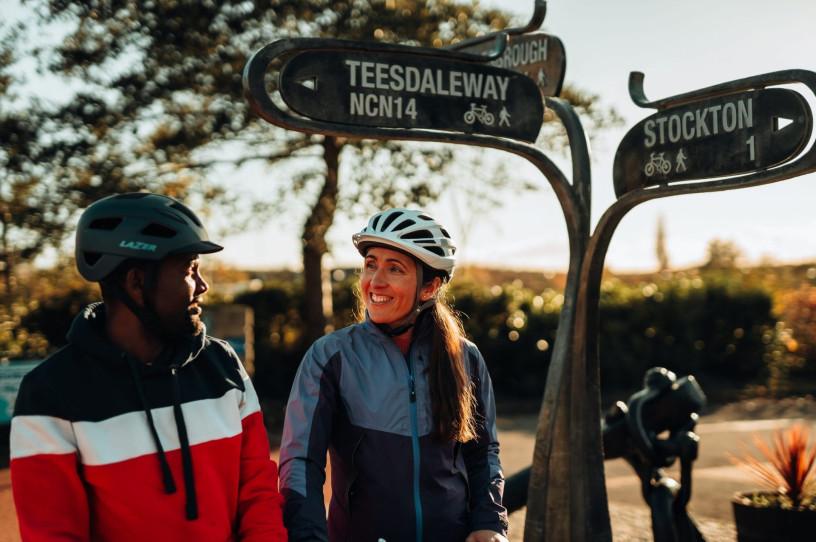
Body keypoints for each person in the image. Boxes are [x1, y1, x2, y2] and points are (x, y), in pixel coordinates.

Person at [9, 192, 287, 542]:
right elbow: (54, 533)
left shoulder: (222, 364)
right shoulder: (50, 392)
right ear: (137, 282)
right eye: (190, 269)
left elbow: (257, 493)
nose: (203, 286)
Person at [279, 208, 509, 542]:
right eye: (371, 264)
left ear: (429, 287)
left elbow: (483, 452)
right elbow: (300, 462)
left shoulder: (465, 357)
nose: (375, 281)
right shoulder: (332, 356)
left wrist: (489, 522)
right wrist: (308, 536)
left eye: (395, 269)